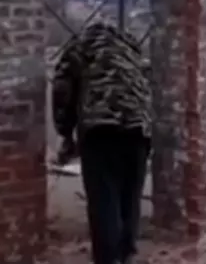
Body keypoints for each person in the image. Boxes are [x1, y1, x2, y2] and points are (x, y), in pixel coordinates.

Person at [52, 21, 152, 264]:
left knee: (103, 198)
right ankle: (126, 254)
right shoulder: (131, 48)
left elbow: (62, 90)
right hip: (138, 129)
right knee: (130, 196)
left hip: (100, 129)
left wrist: (65, 133)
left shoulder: (79, 47)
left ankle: (108, 258)